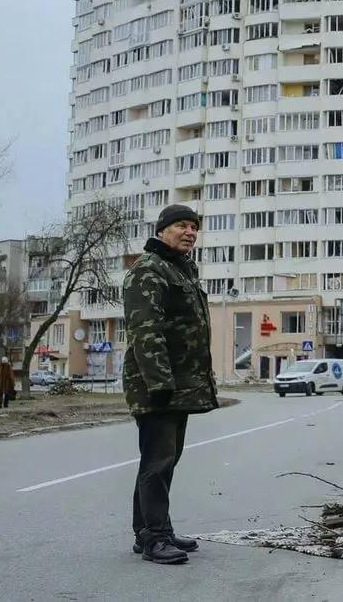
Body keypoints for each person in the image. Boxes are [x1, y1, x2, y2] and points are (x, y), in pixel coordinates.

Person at [123, 204, 219, 565]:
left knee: (163, 458)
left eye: (194, 227)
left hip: (177, 383)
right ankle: (155, 539)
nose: (189, 232)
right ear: (162, 230)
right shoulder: (148, 271)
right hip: (157, 384)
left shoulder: (179, 269)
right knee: (158, 460)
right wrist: (160, 383)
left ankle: (148, 529)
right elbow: (146, 331)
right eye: (181, 225)